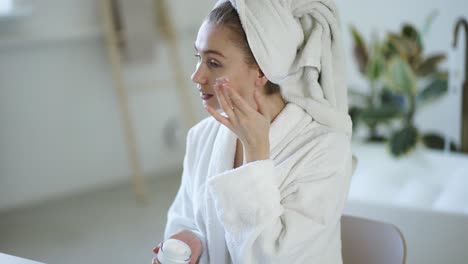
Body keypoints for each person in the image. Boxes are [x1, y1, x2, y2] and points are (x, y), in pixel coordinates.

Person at [153, 0, 353, 263]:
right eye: (198, 58)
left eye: (213, 62)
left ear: (261, 71)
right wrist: (191, 241)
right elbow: (185, 219)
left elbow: (274, 259)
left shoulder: (325, 149)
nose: (196, 76)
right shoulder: (202, 137)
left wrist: (257, 155)